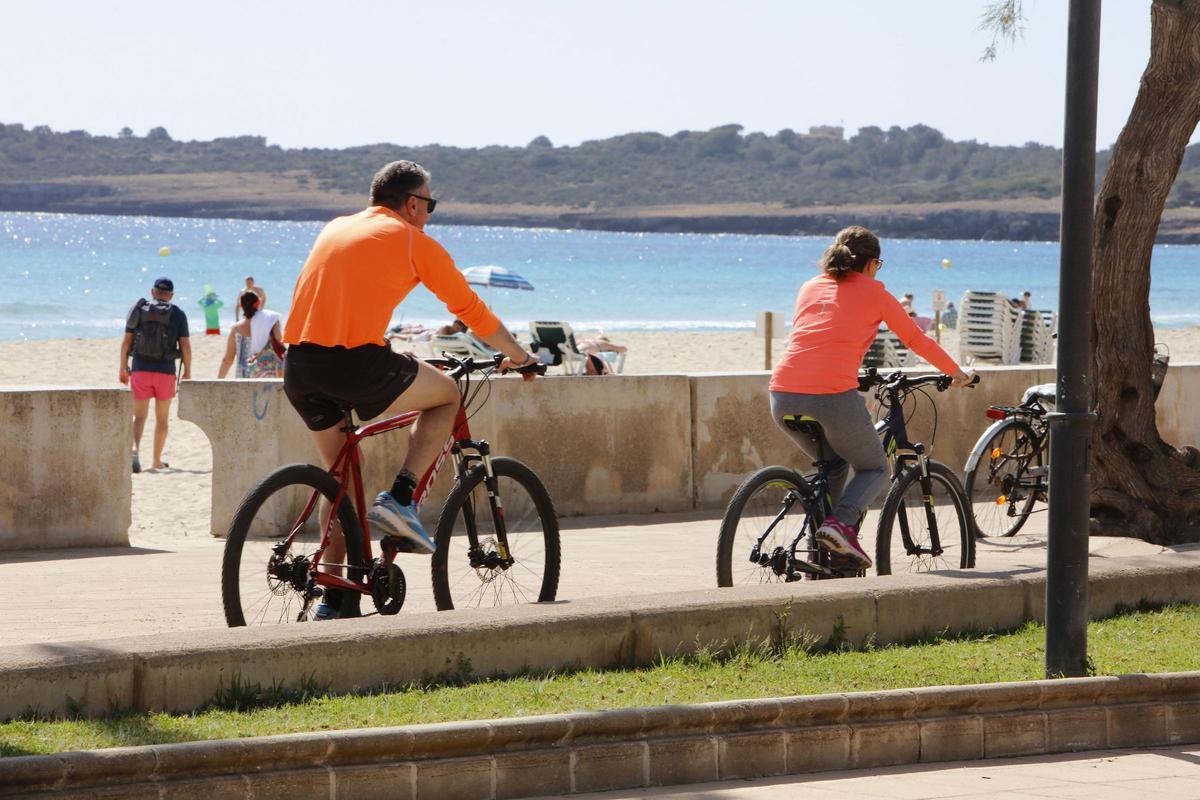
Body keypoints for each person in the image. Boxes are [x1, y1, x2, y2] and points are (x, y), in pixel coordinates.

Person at [282, 160, 538, 618]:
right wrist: (521, 357)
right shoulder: (412, 240)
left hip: (299, 365)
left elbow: (339, 297)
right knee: (446, 396)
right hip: (354, 363)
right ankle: (401, 499)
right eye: (430, 204)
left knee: (341, 478)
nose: (429, 213)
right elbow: (472, 311)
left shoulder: (337, 227)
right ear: (413, 203)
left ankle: (337, 595)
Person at [769, 226, 972, 568]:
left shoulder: (809, 286)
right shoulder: (876, 293)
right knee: (875, 467)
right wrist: (958, 373)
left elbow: (819, 337)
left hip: (782, 393)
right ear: (873, 264)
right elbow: (916, 341)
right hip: (830, 395)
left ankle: (821, 561)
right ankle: (840, 524)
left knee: (834, 464)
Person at [119, 277, 192, 473]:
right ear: (171, 295)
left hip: (141, 369)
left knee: (139, 416)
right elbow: (185, 345)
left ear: (153, 292)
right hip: (165, 372)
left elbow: (126, 342)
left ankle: (134, 450)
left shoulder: (140, 310)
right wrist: (188, 371)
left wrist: (122, 367)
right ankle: (156, 461)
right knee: (161, 418)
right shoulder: (177, 314)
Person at [218, 291, 284, 378]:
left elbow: (228, 360)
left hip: (244, 378)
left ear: (242, 306)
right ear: (258, 303)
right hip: (268, 375)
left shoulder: (235, 329)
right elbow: (280, 343)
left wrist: (219, 380)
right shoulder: (271, 320)